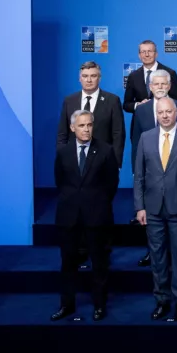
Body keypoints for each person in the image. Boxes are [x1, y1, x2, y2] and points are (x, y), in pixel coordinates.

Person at [134, 97, 177, 321]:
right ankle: (162, 300)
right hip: (152, 209)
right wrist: (139, 206)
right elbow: (139, 176)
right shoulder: (146, 138)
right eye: (161, 112)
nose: (165, 115)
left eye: (169, 111)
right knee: (157, 258)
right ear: (157, 114)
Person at [51, 110, 120, 322]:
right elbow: (60, 181)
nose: (86, 129)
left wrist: (96, 203)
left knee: (99, 264)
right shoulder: (63, 152)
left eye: (89, 125)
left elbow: (111, 185)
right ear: (72, 128)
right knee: (68, 264)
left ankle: (99, 306)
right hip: (69, 216)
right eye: (81, 126)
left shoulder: (106, 150)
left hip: (96, 216)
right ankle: (67, 305)